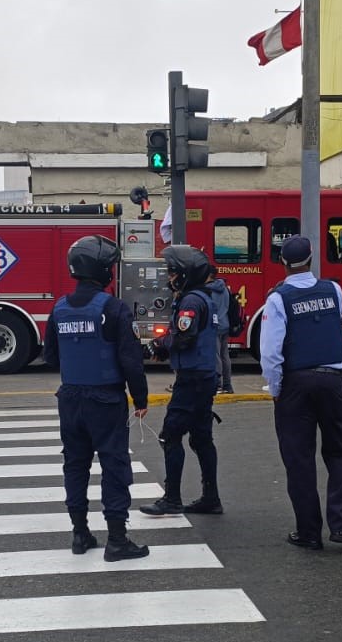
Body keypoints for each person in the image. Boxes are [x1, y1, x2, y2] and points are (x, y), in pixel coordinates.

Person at [44, 235, 150, 561]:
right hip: (105, 400)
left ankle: (80, 534)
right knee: (113, 465)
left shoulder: (59, 309)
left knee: (75, 465)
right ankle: (117, 540)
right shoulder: (113, 309)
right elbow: (131, 360)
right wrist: (140, 398)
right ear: (103, 270)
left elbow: (50, 357)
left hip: (70, 399)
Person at [260, 236, 342, 551]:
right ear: (311, 257)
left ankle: (308, 531)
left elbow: (270, 354)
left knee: (299, 458)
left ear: (283, 263)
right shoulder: (332, 290)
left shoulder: (278, 299)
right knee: (341, 452)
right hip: (333, 379)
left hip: (296, 384)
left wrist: (277, 390)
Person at [140, 244, 223, 518]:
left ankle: (172, 498)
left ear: (185, 274)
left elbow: (184, 338)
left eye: (173, 271)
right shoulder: (203, 297)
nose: (169, 276)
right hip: (204, 376)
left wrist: (157, 345)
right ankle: (211, 497)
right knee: (201, 439)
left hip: (192, 380)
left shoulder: (190, 301)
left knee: (170, 435)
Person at [202, 272, 234, 395]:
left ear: (208, 275)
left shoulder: (208, 290)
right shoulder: (225, 288)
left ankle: (218, 384)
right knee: (225, 355)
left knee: (215, 356)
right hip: (225, 324)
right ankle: (227, 385)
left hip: (214, 326)